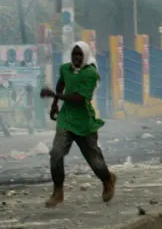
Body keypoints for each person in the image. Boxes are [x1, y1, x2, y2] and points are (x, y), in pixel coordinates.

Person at [40, 41, 116, 208]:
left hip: (84, 121)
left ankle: (108, 179)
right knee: (56, 153)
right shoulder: (65, 69)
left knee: (94, 160)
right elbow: (61, 83)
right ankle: (57, 191)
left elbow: (79, 98)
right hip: (66, 118)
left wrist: (55, 96)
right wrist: (54, 104)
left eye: (80, 54)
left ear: (86, 56)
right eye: (74, 54)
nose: (76, 58)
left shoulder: (90, 74)